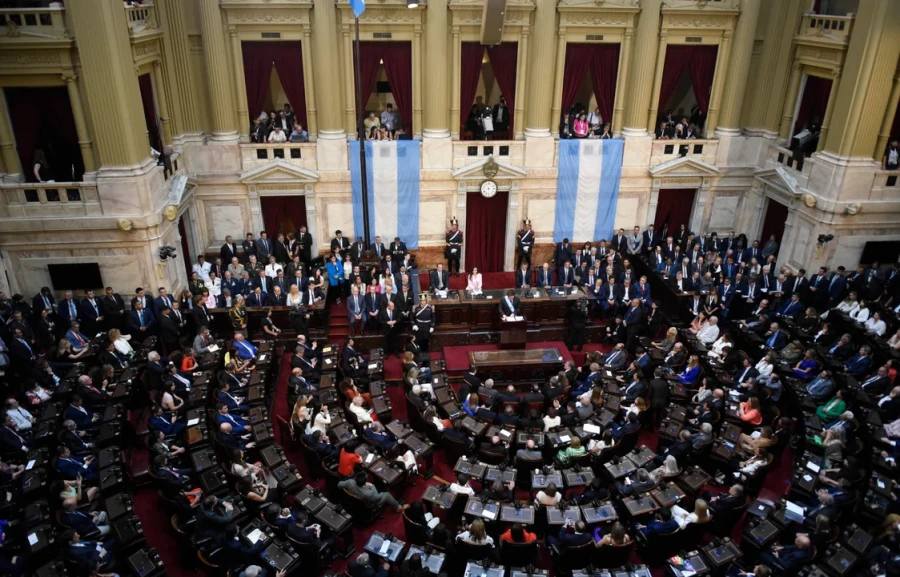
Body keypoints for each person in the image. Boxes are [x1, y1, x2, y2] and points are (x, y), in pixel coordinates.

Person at [338, 471, 409, 513]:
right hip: (370, 504)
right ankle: (398, 508)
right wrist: (372, 485)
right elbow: (377, 497)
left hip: (354, 499)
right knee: (387, 494)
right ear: (365, 482)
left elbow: (339, 485)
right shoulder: (369, 493)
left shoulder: (350, 482)